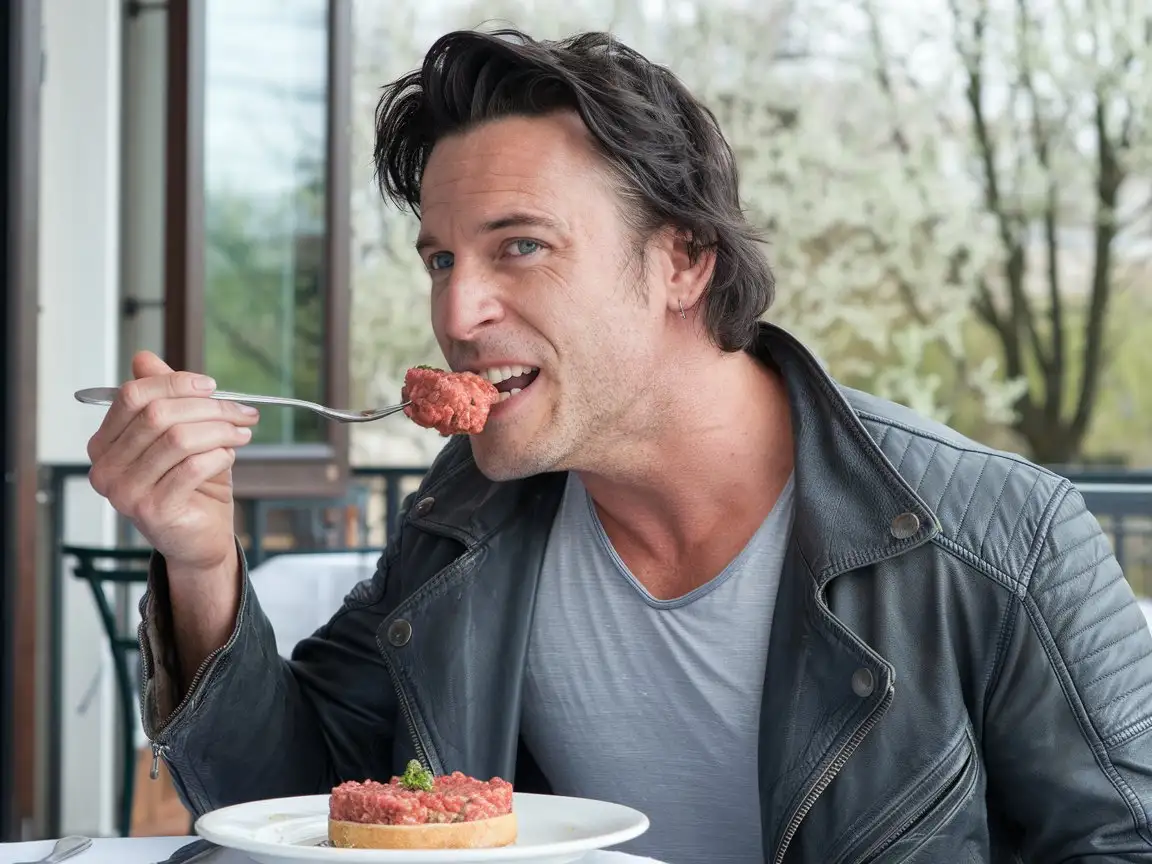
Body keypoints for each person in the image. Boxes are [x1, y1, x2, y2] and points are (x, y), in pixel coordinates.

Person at [85, 28, 1152, 864]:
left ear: (682, 260)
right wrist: (201, 562)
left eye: (522, 247)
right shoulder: (466, 519)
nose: (459, 308)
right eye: (441, 257)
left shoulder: (1000, 537)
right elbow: (303, 813)